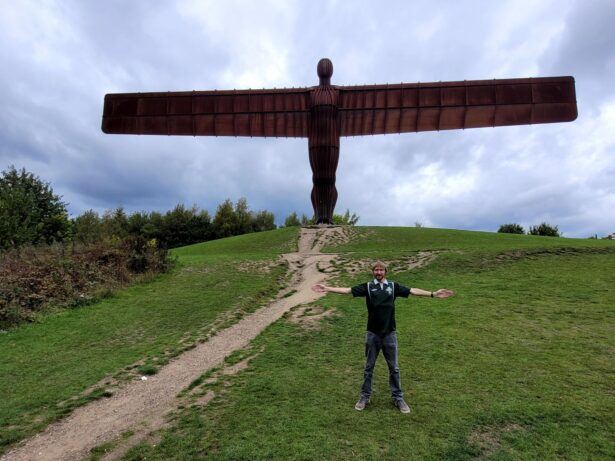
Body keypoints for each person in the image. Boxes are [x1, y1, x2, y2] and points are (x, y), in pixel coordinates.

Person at [312, 260, 454, 413]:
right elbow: (347, 290)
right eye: (376, 270)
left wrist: (433, 294)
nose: (378, 272)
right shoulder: (368, 287)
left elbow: (412, 291)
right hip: (372, 334)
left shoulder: (393, 287)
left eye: (381, 270)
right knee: (369, 367)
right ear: (373, 272)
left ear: (386, 271)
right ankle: (365, 396)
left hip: (390, 334)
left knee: (394, 368)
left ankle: (398, 398)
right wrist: (326, 288)